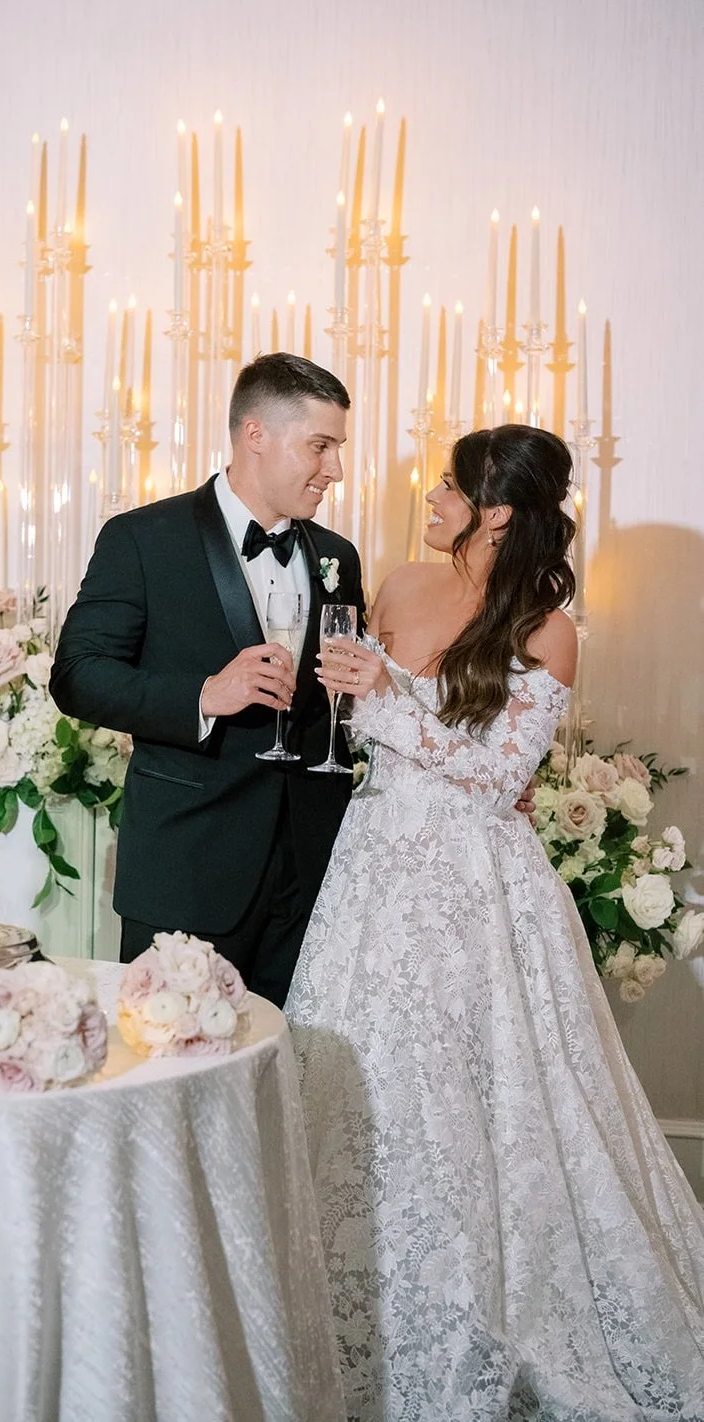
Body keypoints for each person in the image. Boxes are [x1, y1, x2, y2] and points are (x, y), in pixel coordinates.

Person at [285, 423, 704, 1418]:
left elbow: (495, 775)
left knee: (480, 1092)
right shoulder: (395, 585)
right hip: (373, 864)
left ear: (499, 511)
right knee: (361, 1071)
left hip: (477, 886)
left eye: (447, 487)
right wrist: (337, 700)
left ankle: (494, 1304)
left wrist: (384, 703)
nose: (429, 500)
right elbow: (352, 728)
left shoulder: (547, 625)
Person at [50, 353, 364, 1006]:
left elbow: (343, 706)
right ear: (256, 434)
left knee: (294, 1060)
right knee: (171, 1054)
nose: (335, 468)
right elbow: (78, 675)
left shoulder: (337, 556)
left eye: (336, 448)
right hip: (186, 872)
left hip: (313, 878)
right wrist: (203, 696)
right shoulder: (142, 538)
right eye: (320, 446)